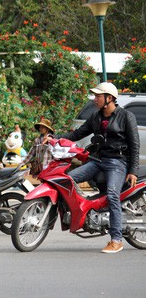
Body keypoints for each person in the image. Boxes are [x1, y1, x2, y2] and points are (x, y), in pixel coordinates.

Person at [57, 82, 139, 254]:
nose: (95, 99)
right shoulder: (96, 117)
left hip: (118, 162)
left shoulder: (126, 116)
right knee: (66, 179)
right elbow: (77, 134)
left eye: (98, 96)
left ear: (109, 98)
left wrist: (132, 171)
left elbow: (134, 145)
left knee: (112, 195)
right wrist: (55, 138)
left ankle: (116, 240)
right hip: (97, 161)